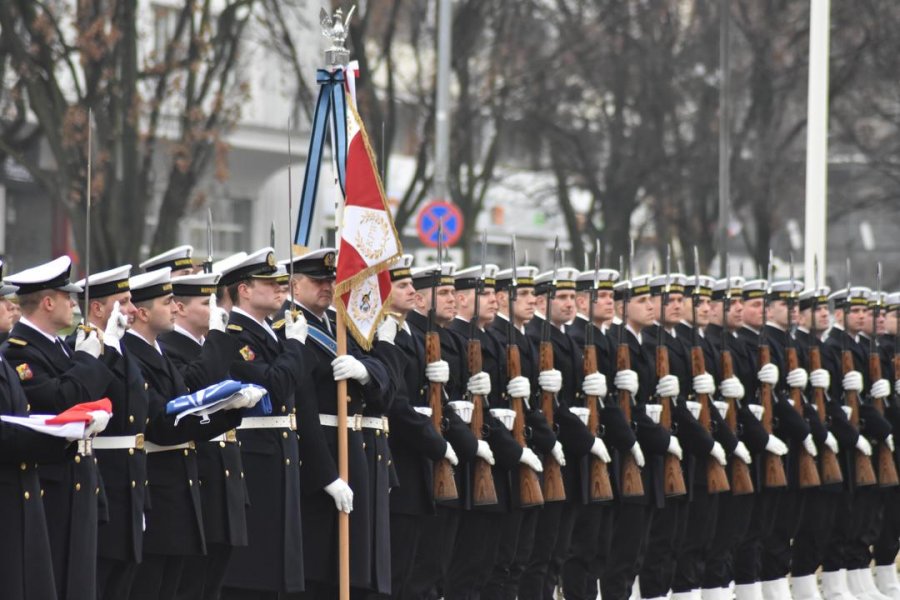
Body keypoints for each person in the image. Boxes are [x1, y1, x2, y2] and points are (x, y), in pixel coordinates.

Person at [124, 267, 248, 600]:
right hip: (159, 486)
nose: (172, 307)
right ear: (144, 312)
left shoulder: (158, 353)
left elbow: (185, 411)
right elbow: (170, 418)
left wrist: (233, 412)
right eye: (167, 301)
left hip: (183, 487)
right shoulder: (136, 353)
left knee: (183, 586)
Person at [279, 247, 394, 598]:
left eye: (331, 279)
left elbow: (381, 374)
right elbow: (302, 408)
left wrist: (365, 372)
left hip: (353, 449)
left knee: (350, 566)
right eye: (318, 281)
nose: (328, 286)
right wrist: (326, 474)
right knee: (319, 566)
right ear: (294, 286)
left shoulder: (339, 324)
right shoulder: (290, 328)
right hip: (319, 455)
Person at [2, 255, 114, 600]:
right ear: (48, 302)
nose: (74, 304)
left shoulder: (57, 348)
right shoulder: (20, 352)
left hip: (74, 480)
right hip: (48, 484)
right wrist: (87, 360)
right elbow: (63, 398)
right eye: (68, 297)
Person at [218, 248, 310, 599]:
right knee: (253, 572)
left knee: (277, 570)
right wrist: (296, 347)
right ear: (243, 289)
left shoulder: (271, 334)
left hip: (278, 453)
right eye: (269, 283)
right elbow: (276, 384)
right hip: (254, 458)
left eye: (281, 283)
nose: (280, 290)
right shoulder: (236, 334)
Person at [72, 264, 150, 599]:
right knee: (100, 581)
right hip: (103, 478)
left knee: (123, 582)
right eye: (124, 301)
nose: (133, 310)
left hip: (129, 481)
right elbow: (89, 401)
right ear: (97, 308)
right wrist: (106, 354)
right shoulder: (80, 348)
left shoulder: (122, 347)